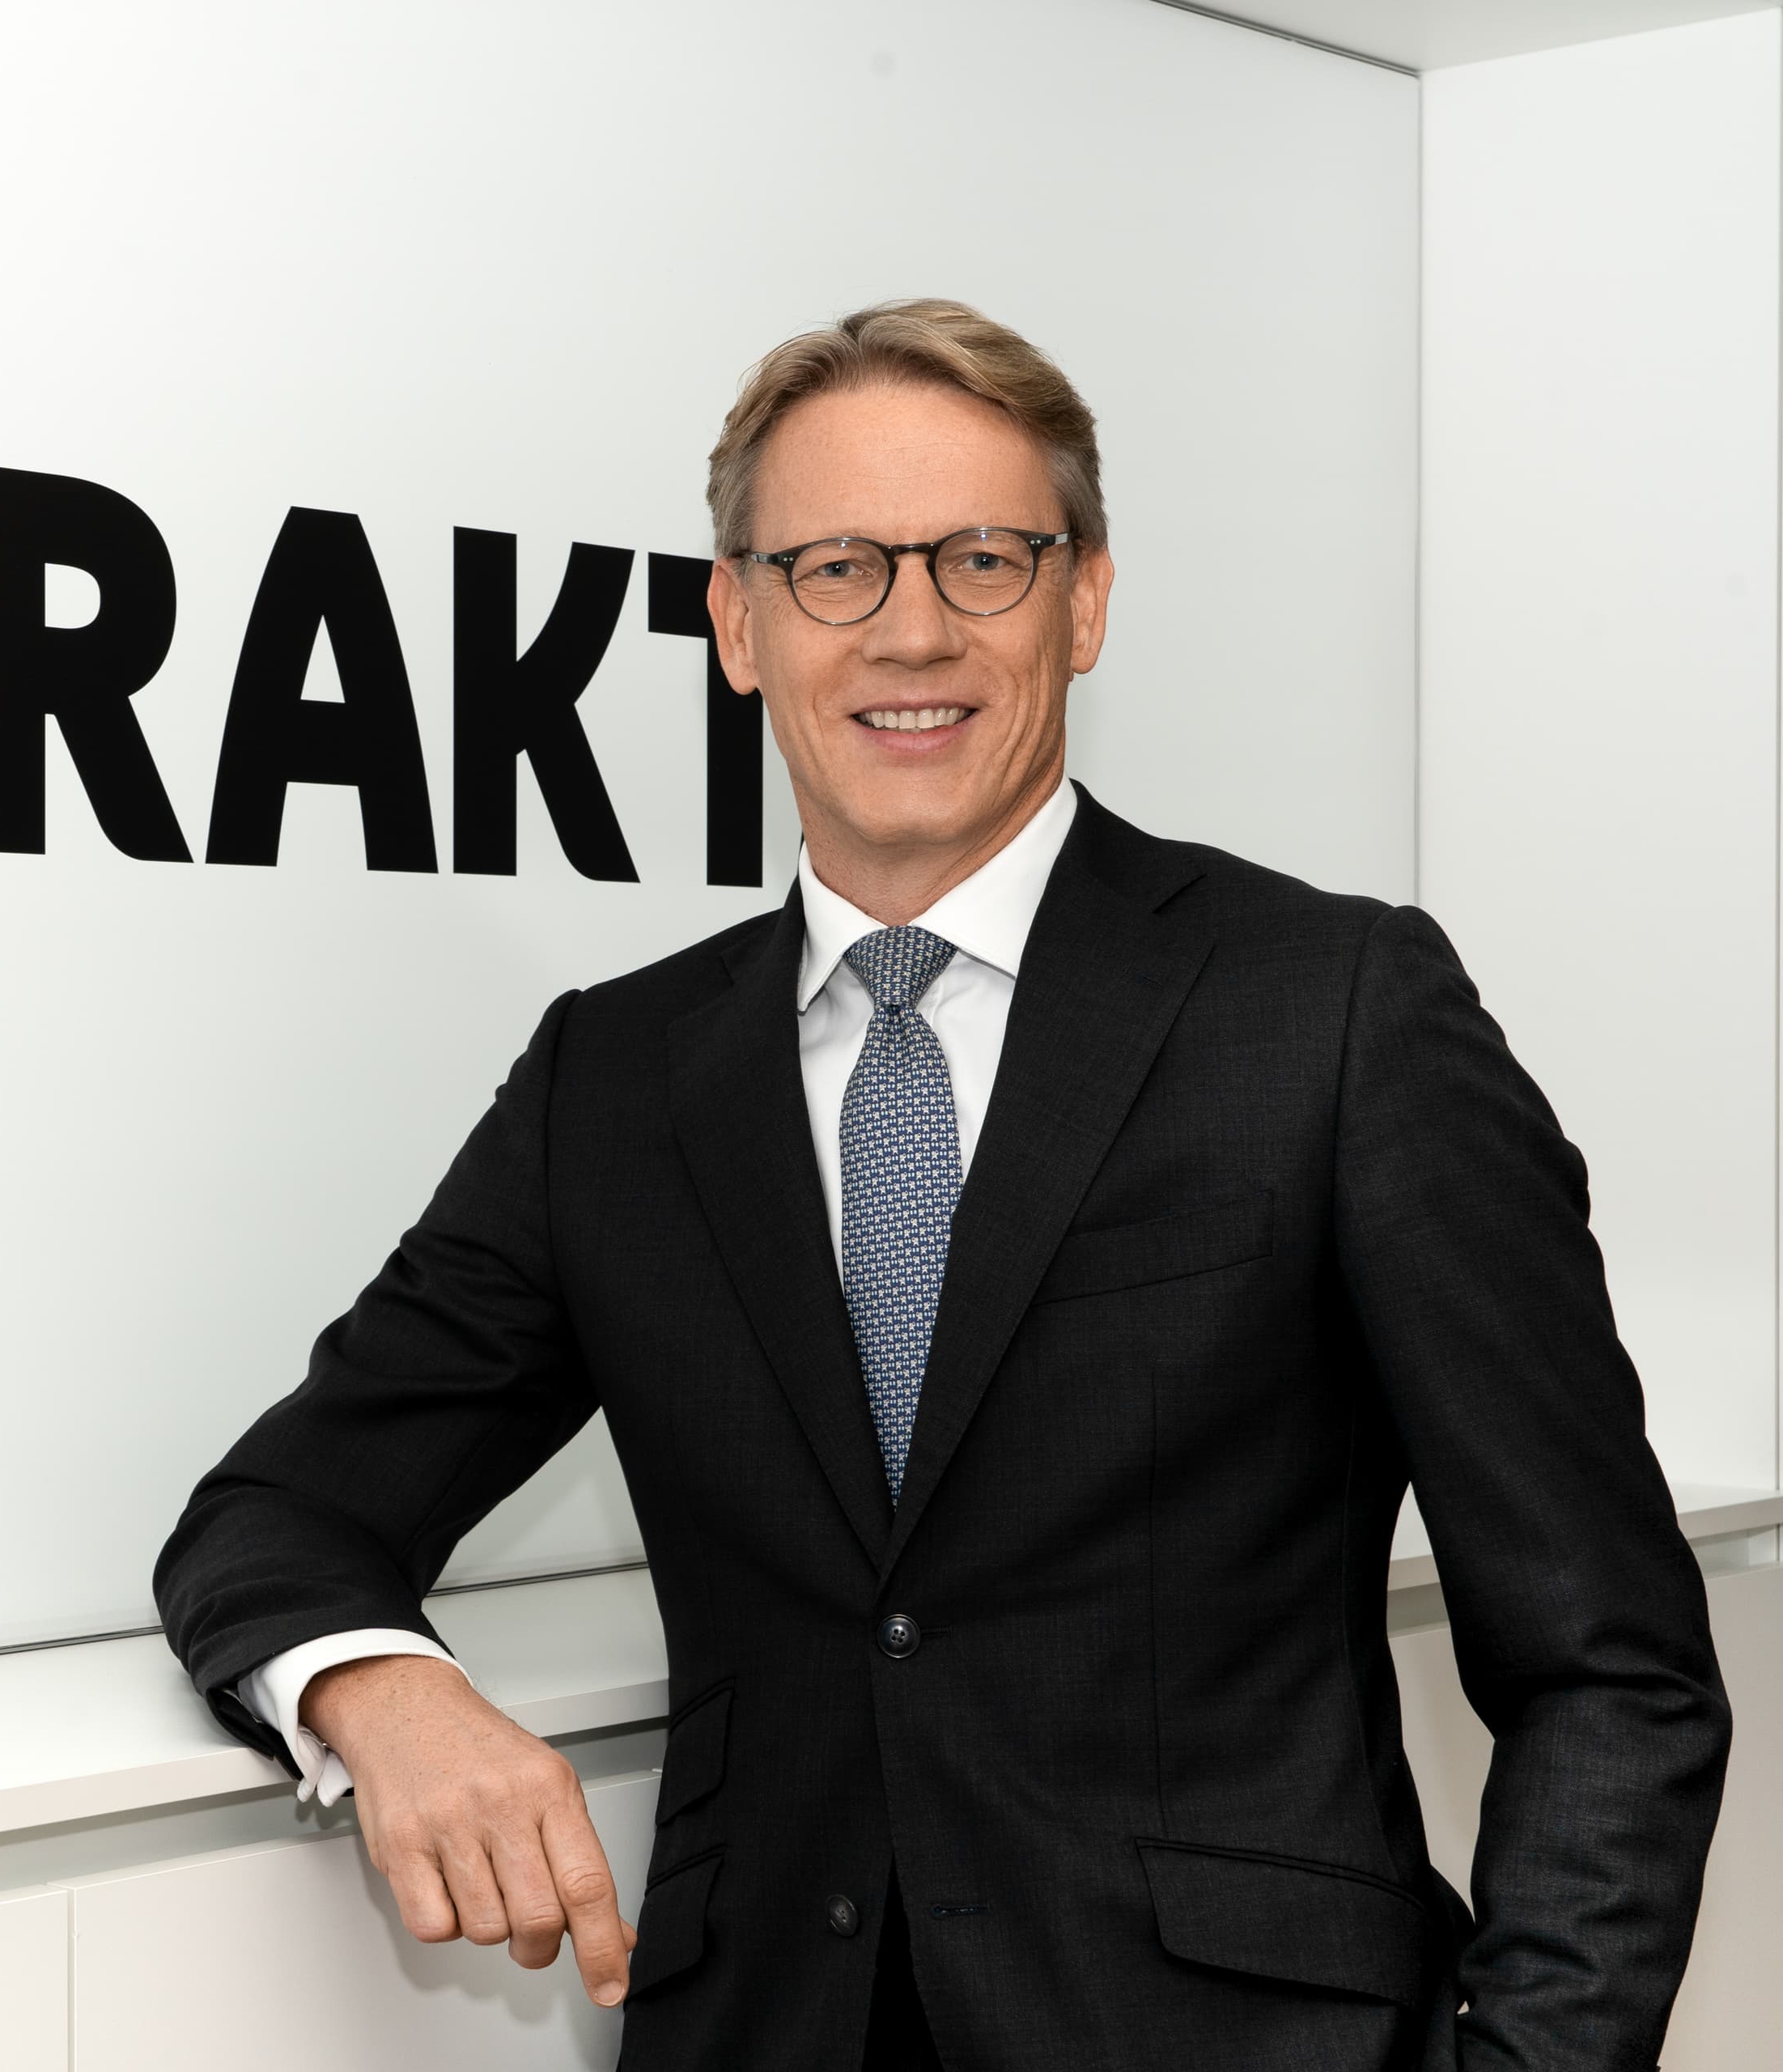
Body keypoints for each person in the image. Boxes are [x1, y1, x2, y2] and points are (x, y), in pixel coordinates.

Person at [152, 299, 1730, 2071]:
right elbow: (273, 1512)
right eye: (836, 566)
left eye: (985, 557)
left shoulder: (1339, 1011)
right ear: (739, 624)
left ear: (1087, 599)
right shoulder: (618, 1079)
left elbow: (1614, 1667)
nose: (914, 627)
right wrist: (387, 1695)